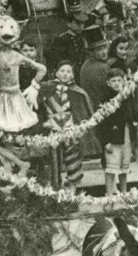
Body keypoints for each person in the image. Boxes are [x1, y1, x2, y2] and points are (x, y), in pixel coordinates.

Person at [37, 60, 102, 190]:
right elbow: (37, 106)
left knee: (73, 158)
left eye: (68, 71)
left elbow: (83, 112)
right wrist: (43, 122)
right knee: (54, 160)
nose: (65, 74)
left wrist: (79, 126)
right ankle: (56, 189)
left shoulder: (77, 92)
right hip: (53, 129)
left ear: (72, 75)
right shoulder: (46, 88)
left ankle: (73, 190)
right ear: (56, 73)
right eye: (62, 71)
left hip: (70, 129)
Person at [100, 68, 137, 196]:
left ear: (124, 81)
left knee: (124, 167)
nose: (117, 83)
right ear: (108, 83)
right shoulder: (106, 99)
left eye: (119, 80)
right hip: (113, 137)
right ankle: (109, 195)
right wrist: (105, 141)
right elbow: (102, 122)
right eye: (113, 81)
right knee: (111, 167)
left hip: (125, 135)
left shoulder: (126, 97)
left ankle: (124, 193)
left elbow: (132, 114)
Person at [46, 11, 88, 79]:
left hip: (81, 73)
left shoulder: (82, 39)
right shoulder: (61, 40)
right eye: (77, 23)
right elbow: (56, 60)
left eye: (82, 23)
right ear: (68, 24)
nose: (81, 26)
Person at [80, 24, 110, 111]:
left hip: (91, 110)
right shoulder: (103, 67)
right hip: (105, 109)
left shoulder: (85, 65)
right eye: (99, 49)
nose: (104, 52)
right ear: (91, 52)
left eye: (104, 47)